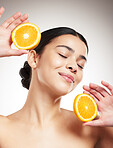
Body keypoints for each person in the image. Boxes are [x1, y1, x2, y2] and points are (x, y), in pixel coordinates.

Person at [0, 6, 113, 148]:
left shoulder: (92, 128)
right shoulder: (2, 130)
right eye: (63, 55)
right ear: (34, 59)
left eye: (81, 65)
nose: (73, 67)